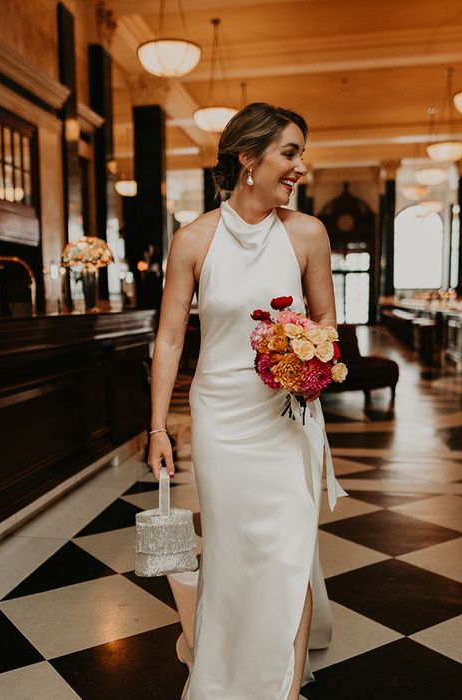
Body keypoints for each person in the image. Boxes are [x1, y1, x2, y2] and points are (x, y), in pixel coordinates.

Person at [147, 102, 346, 700]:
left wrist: (310, 357)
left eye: (301, 155)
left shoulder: (308, 233)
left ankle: (285, 691)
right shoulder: (193, 239)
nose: (300, 168)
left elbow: (328, 318)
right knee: (233, 551)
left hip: (286, 414)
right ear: (247, 158)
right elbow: (171, 337)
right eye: (290, 153)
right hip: (221, 418)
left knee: (290, 549)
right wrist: (158, 427)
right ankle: (225, 670)